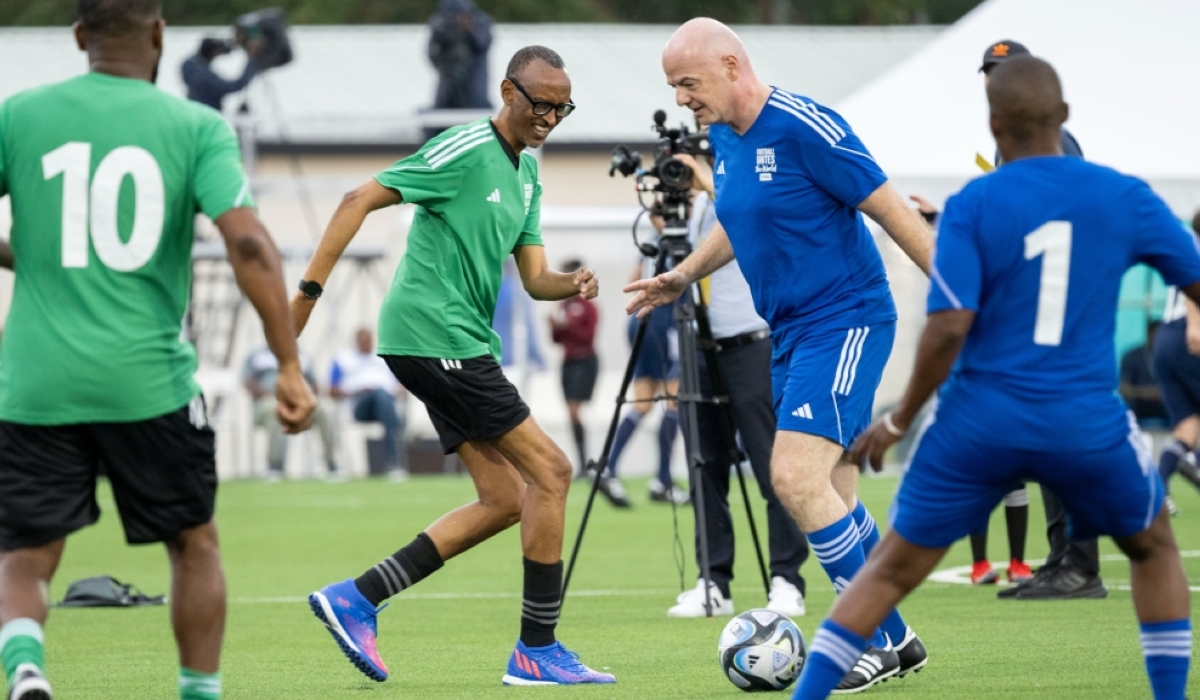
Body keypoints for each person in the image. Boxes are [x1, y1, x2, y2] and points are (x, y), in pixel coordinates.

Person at [796, 56, 1199, 700]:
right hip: (1084, 420)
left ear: (993, 123)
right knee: (1153, 547)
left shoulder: (974, 203)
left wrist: (899, 420)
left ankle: (807, 695)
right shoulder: (1124, 195)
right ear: (1064, 117)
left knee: (891, 568)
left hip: (981, 423)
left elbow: (950, 326)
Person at [0, 3, 315, 700]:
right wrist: (288, 364)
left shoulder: (18, 114)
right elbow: (251, 244)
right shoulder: (196, 127)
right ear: (159, 35)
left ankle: (25, 666)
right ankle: (198, 692)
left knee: (24, 554)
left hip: (35, 382)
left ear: (80, 36)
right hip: (149, 382)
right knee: (193, 543)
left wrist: (30, 254)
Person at [292, 46, 614, 687]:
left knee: (505, 499)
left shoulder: (526, 176)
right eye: (541, 103)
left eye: (562, 107)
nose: (550, 117)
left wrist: (571, 283)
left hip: (457, 344)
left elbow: (534, 279)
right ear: (508, 91)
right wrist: (304, 298)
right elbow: (359, 198)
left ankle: (358, 598)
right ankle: (537, 651)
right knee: (552, 472)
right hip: (434, 337)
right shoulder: (464, 148)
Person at [627, 18, 933, 691]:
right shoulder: (725, 139)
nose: (681, 99)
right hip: (789, 331)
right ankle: (898, 639)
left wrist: (959, 297)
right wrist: (683, 275)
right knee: (827, 490)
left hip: (846, 319)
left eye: (688, 83)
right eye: (673, 87)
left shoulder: (804, 124)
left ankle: (875, 638)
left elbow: (888, 208)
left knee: (792, 477)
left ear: (732, 65)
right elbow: (741, 221)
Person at [909, 38, 1102, 601]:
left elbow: (1058, 224)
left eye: (1003, 71)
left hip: (1057, 314)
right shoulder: (1012, 146)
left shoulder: (1052, 142)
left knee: (1064, 441)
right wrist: (946, 218)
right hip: (1035, 314)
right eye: (989, 73)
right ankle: (1062, 559)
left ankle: (1080, 565)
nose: (994, 80)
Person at [665, 158, 810, 619]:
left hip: (753, 341)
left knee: (775, 465)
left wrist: (711, 184)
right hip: (700, 345)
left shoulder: (747, 180)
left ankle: (787, 579)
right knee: (705, 465)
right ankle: (714, 581)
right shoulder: (695, 205)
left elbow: (755, 223)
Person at [601, 255, 686, 507]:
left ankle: (608, 468)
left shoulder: (651, 244)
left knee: (643, 403)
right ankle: (662, 479)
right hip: (664, 323)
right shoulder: (682, 237)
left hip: (639, 321)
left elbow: (633, 279)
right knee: (674, 400)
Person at [1154, 219, 1200, 514]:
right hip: (1188, 334)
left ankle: (1158, 492)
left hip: (1164, 338)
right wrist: (1195, 325)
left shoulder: (1185, 242)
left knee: (1187, 427)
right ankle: (1193, 464)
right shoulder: (1195, 247)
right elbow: (1190, 285)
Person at [244, 348, 340, 480]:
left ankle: (332, 465)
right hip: (268, 400)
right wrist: (272, 394)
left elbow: (315, 386)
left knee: (323, 411)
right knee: (275, 410)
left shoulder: (303, 357)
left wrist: (302, 398)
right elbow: (247, 383)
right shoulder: (257, 357)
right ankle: (274, 466)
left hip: (298, 402)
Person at [330, 328, 409, 478]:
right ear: (356, 341)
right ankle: (394, 463)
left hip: (385, 403)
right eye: (363, 340)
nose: (366, 343)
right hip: (360, 406)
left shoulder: (384, 358)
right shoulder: (343, 359)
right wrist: (358, 390)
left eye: (369, 339)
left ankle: (392, 463)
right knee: (381, 396)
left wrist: (396, 390)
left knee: (382, 397)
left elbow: (401, 387)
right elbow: (332, 391)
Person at [548, 259, 599, 478]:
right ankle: (582, 463)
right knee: (571, 413)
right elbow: (557, 339)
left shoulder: (587, 305)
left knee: (575, 412)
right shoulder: (563, 305)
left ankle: (585, 463)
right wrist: (554, 327)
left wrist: (569, 325)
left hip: (584, 360)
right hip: (568, 362)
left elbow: (589, 336)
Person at [427, 0, 493, 110]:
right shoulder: (442, 21)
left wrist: (470, 29)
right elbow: (434, 51)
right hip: (449, 87)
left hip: (474, 86)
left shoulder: (478, 20)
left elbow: (482, 43)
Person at [180, 37, 260, 112]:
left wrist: (229, 45)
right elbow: (236, 86)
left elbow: (192, 59)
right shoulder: (207, 78)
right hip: (209, 117)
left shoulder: (190, 68)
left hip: (193, 111)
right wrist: (252, 59)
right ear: (213, 52)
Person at [1122, 321, 1168, 425]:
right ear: (1148, 334)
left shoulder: (1172, 357)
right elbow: (1123, 388)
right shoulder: (1133, 356)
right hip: (1140, 415)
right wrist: (1147, 393)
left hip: (1168, 415)